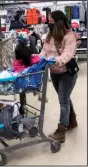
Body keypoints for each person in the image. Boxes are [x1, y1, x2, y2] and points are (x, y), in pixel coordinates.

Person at [40, 10, 78, 143]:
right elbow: (44, 51)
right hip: (54, 72)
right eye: (48, 22)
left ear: (59, 22)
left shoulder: (70, 36)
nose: (49, 25)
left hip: (67, 73)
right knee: (65, 97)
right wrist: (39, 59)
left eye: (51, 22)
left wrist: (54, 60)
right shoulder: (49, 36)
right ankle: (72, 120)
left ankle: (61, 131)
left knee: (63, 100)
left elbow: (67, 54)